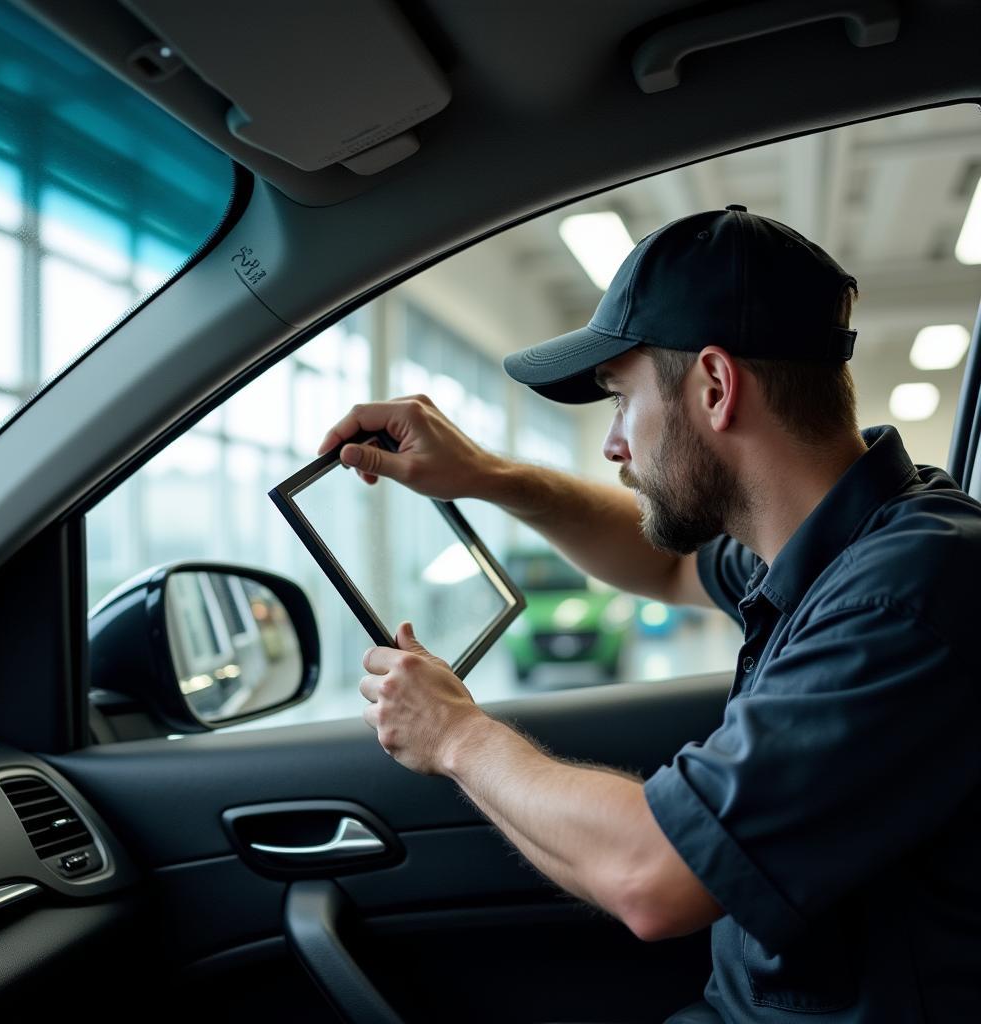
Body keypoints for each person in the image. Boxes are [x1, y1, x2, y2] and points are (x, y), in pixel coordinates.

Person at [317, 205, 981, 1023]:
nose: (613, 444)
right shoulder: (839, 540)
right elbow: (665, 563)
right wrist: (487, 475)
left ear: (714, 385)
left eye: (619, 398)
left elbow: (653, 875)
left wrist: (456, 735)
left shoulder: (908, 591)